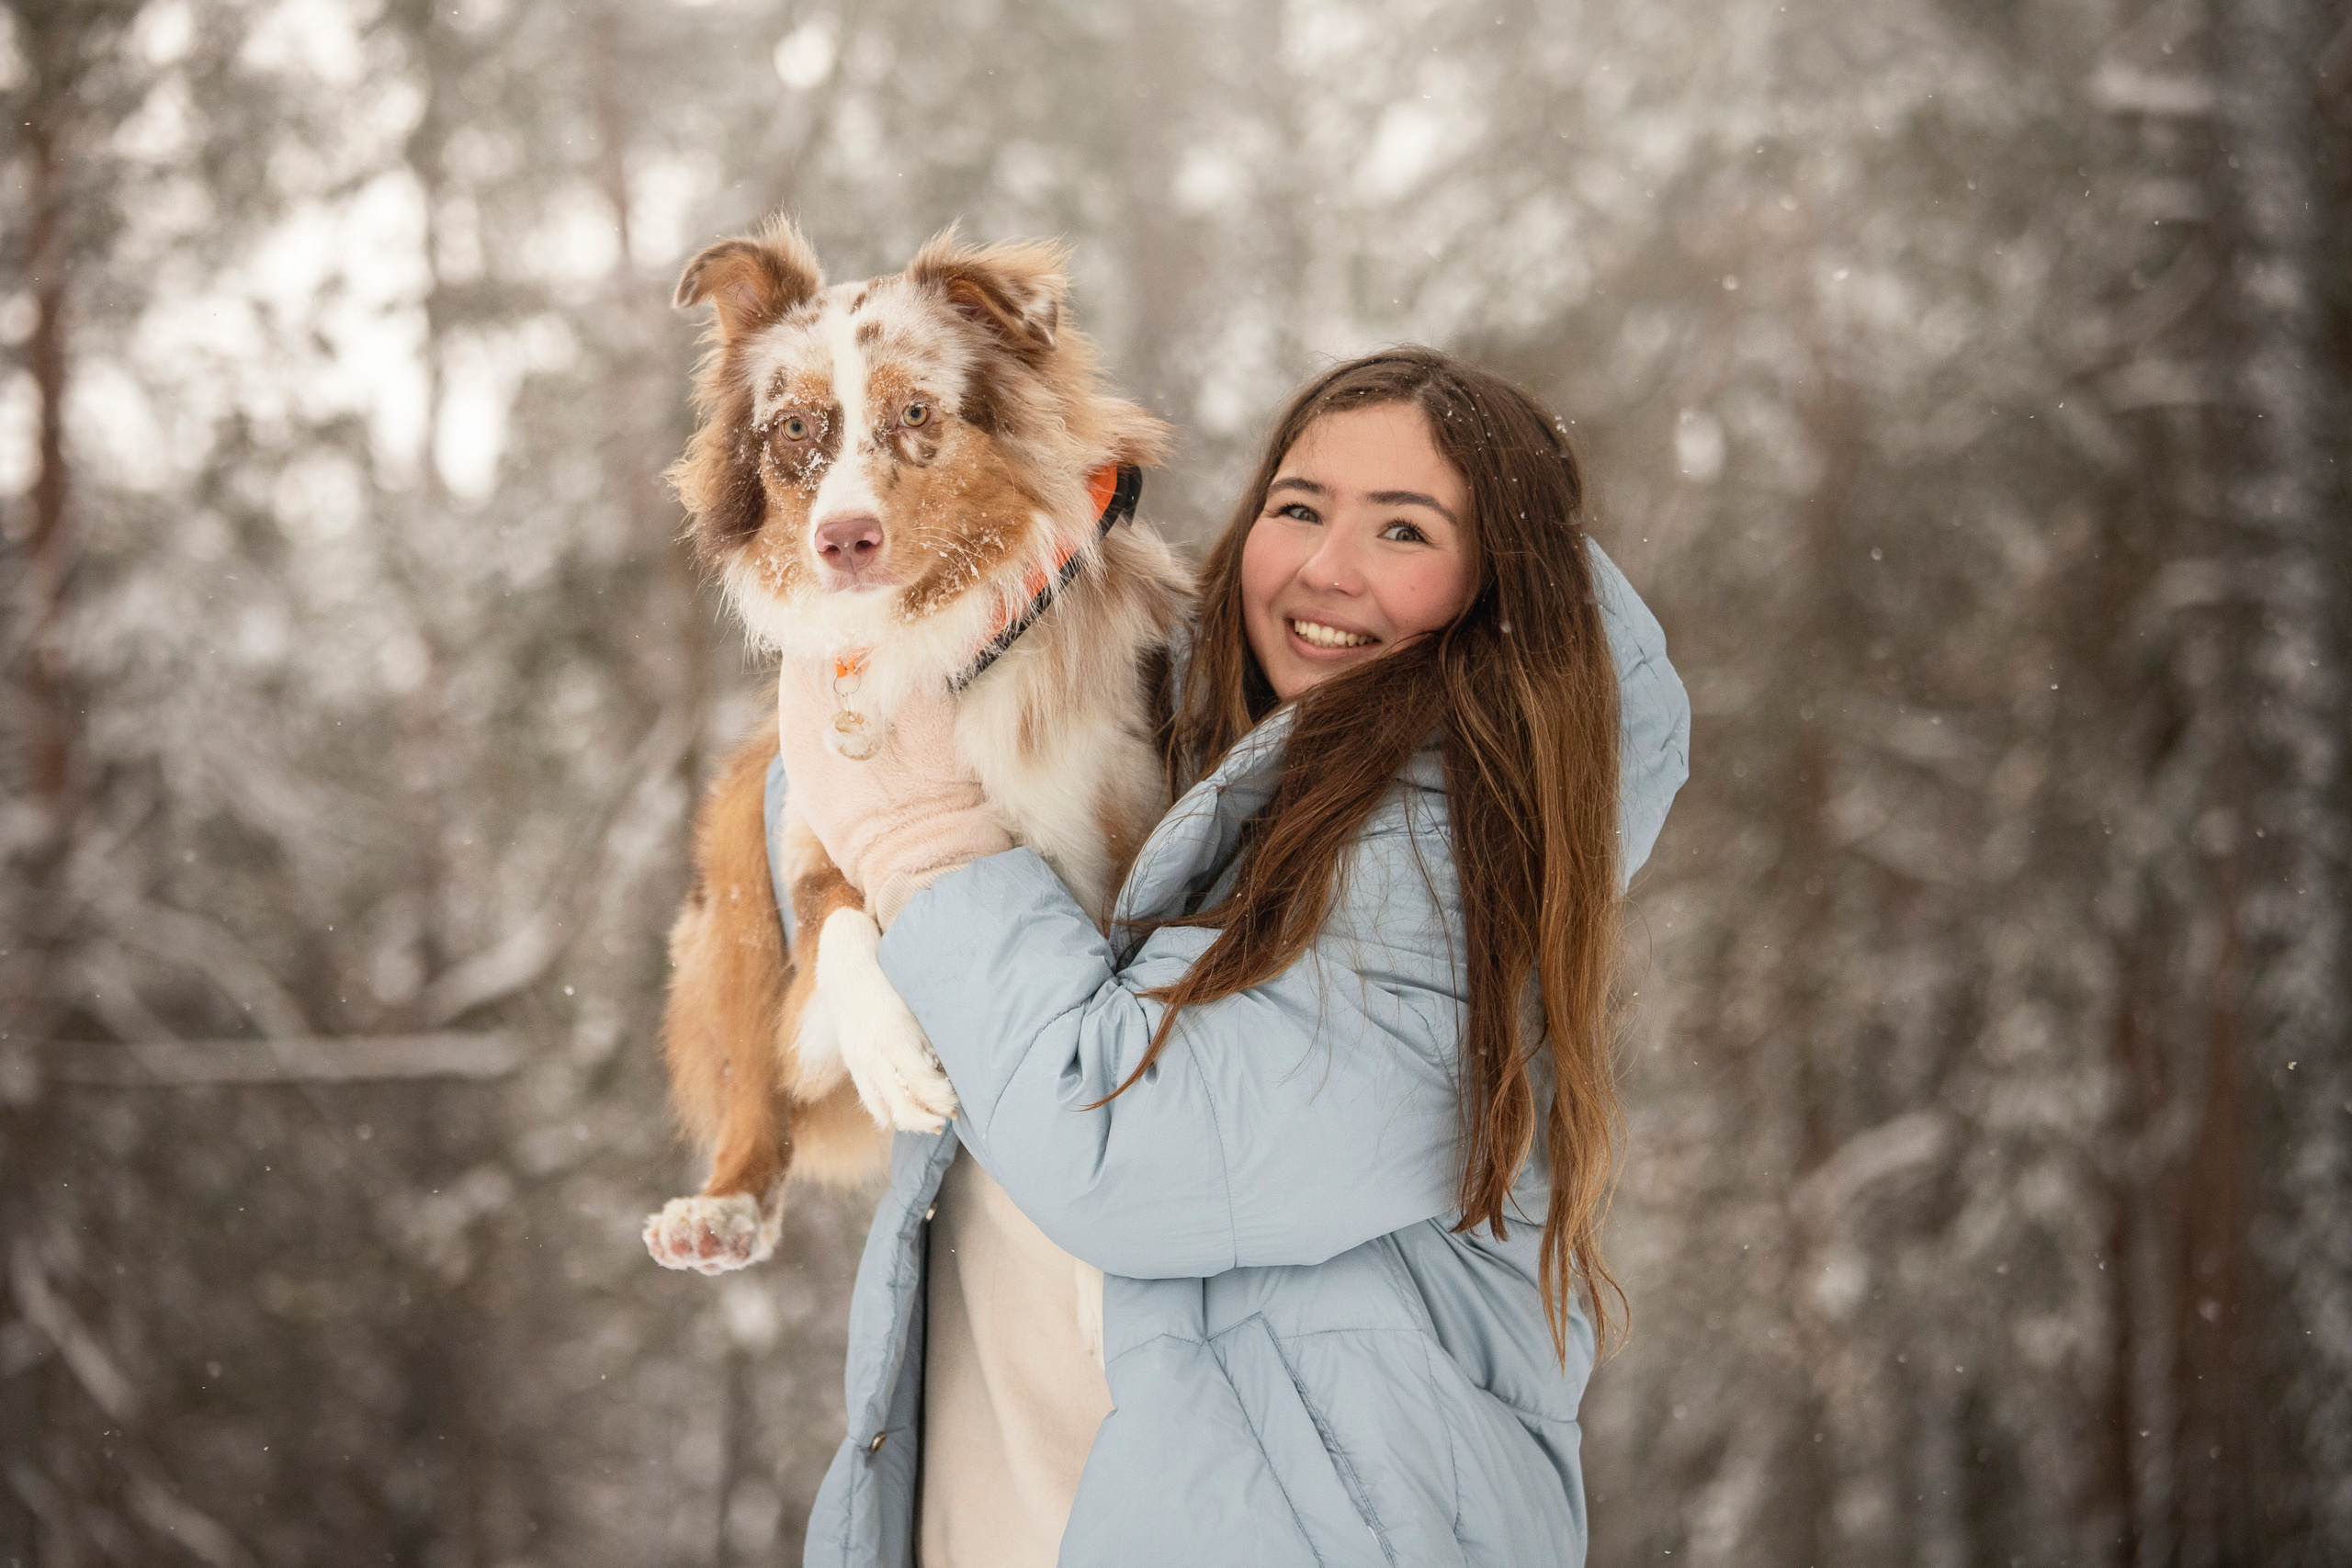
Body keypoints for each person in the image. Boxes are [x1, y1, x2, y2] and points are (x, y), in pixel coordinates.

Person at [775, 348, 1690, 1567]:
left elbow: (1118, 1145)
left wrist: (922, 839)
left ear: (1496, 586)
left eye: (1405, 531)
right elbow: (846, 796)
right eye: (1299, 507)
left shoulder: (1460, 868)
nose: (1327, 567)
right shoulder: (1194, 764)